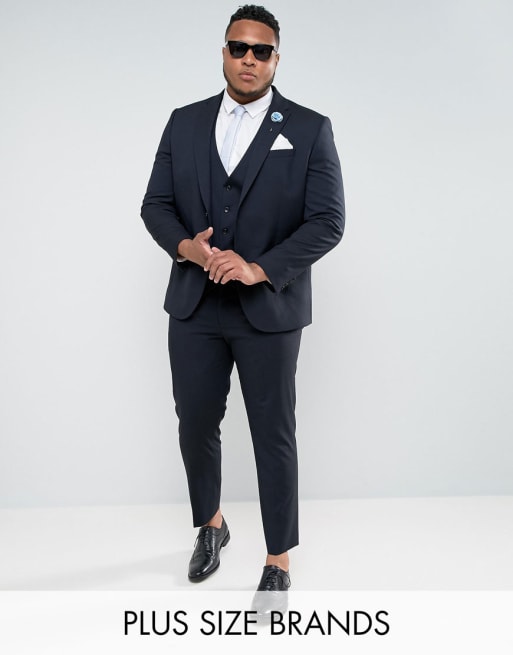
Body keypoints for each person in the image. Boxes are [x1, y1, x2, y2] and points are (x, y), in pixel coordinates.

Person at [140, 4, 345, 607]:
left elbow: (328, 221)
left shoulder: (309, 128)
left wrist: (259, 268)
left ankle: (278, 558)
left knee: (272, 433)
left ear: (277, 58)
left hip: (268, 311)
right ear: (224, 52)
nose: (248, 59)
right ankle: (211, 524)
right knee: (195, 423)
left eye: (261, 50)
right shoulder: (183, 122)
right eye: (238, 47)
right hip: (194, 306)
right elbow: (155, 205)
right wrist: (190, 249)